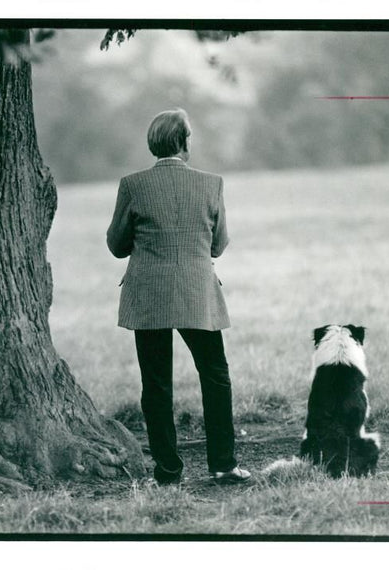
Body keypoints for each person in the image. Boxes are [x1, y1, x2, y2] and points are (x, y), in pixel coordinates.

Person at [106, 108, 250, 485]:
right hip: (196, 291)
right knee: (215, 375)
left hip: (148, 293)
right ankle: (223, 464)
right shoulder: (212, 183)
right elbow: (218, 246)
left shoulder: (132, 184)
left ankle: (168, 471)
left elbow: (117, 245)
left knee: (156, 384)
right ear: (185, 142)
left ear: (154, 143)